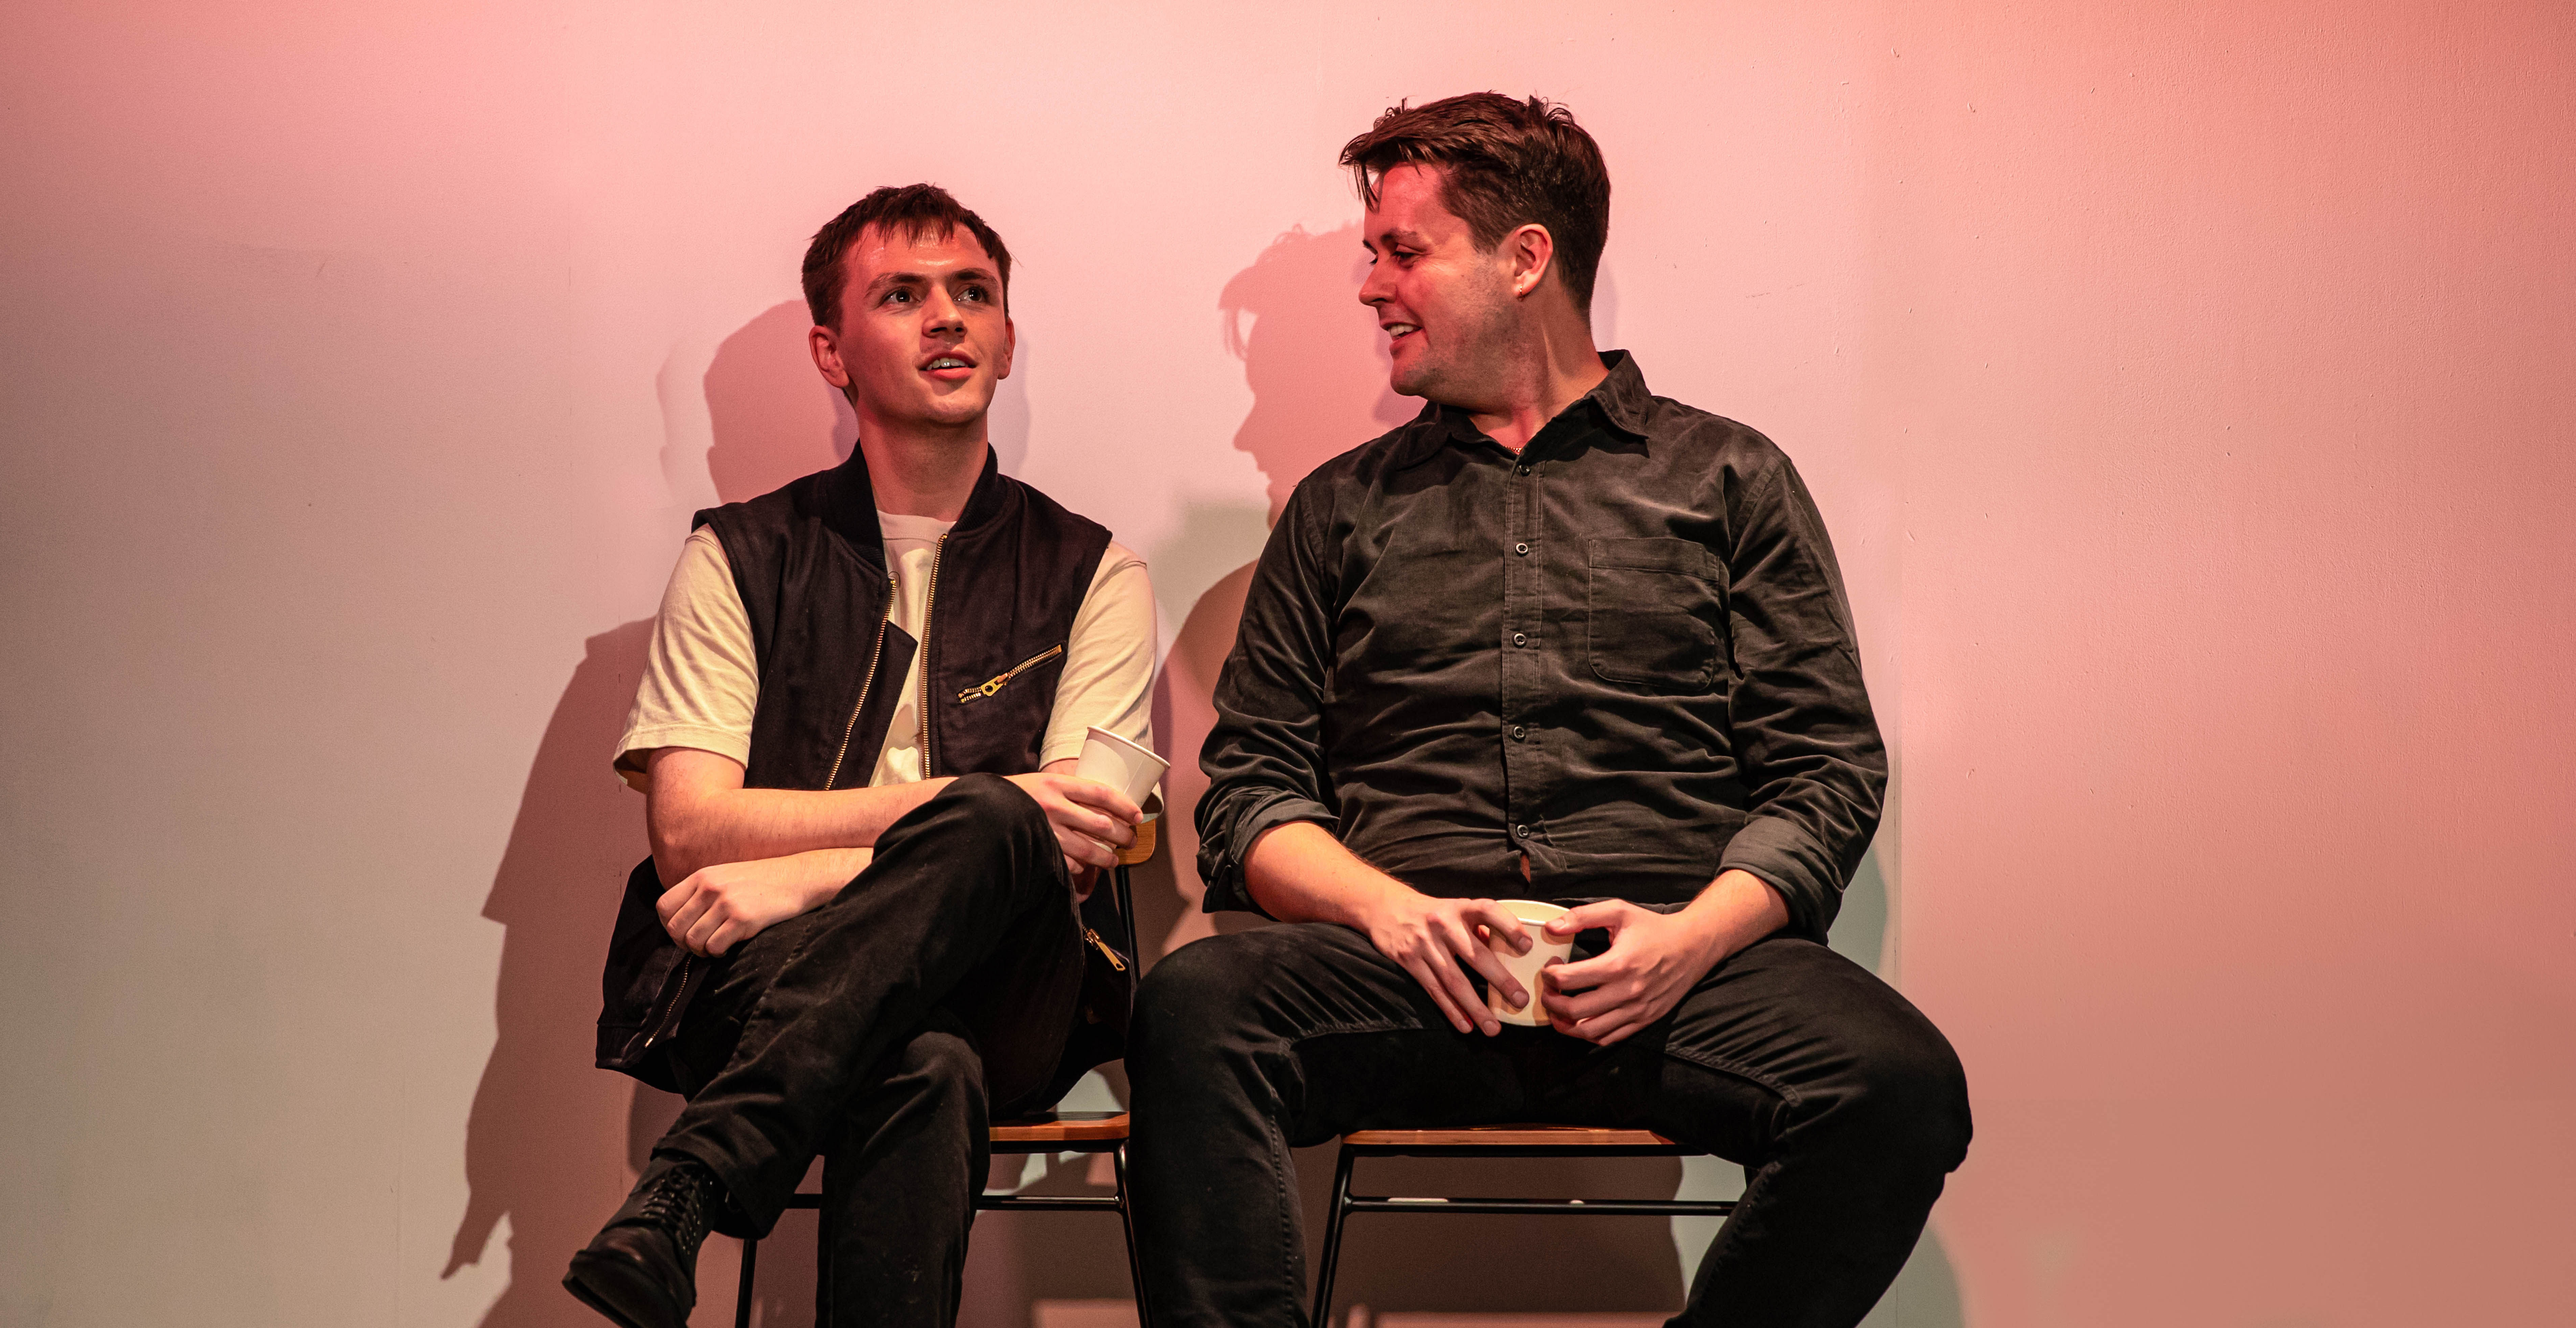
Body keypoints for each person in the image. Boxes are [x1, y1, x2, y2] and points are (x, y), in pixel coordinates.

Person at [1126, 94, 1971, 1328]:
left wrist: (1690, 942)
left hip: (1669, 973)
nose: (1372, 287)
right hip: (1412, 975)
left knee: (1896, 1085)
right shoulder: (1339, 510)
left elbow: (1826, 772)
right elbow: (1252, 794)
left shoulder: (1729, 480)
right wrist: (1393, 914)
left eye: (1403, 251)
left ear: (1526, 258)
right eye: (1373, 255)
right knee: (1195, 1010)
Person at [565, 184, 1157, 1328]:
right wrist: (992, 808)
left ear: (1007, 340)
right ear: (831, 353)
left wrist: (801, 874)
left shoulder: (1097, 574)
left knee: (1001, 824)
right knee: (924, 1063)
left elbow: (1073, 851)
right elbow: (689, 834)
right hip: (772, 978)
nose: (948, 317)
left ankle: (695, 1179)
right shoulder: (741, 557)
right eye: (902, 295)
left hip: (1012, 986)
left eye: (973, 293)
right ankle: (698, 1182)